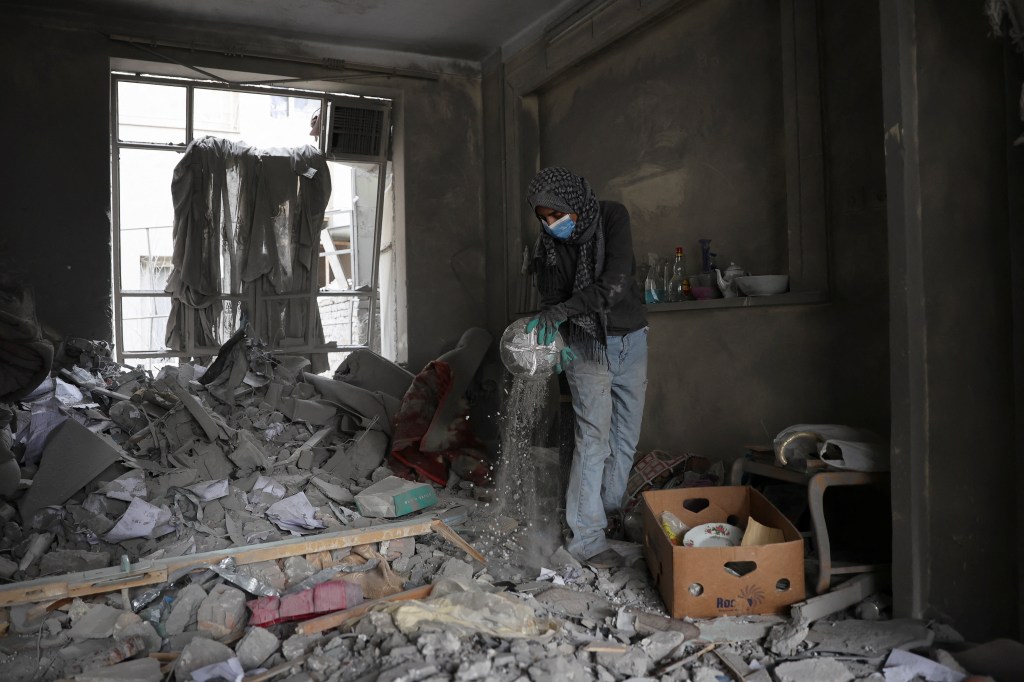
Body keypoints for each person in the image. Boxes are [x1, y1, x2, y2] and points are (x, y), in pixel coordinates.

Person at [525, 166, 648, 568]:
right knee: (593, 439)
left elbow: (614, 284)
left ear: (574, 202)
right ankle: (587, 539)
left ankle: (607, 510)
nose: (551, 224)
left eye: (555, 215)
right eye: (543, 218)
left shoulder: (613, 217)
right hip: (584, 345)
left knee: (625, 437)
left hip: (631, 338)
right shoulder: (548, 246)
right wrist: (557, 334)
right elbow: (552, 300)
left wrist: (562, 311)